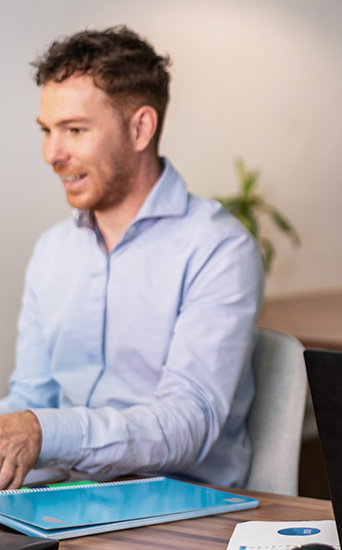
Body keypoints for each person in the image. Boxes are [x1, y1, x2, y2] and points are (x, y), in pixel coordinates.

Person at [0, 27, 265, 491]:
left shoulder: (219, 249)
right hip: (66, 500)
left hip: (178, 514)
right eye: (47, 131)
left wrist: (44, 432)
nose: (51, 154)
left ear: (141, 128)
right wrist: (19, 429)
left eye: (75, 130)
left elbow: (189, 421)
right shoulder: (53, 251)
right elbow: (31, 397)